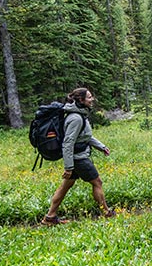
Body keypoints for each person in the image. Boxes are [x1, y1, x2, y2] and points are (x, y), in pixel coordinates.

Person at [42, 87, 114, 225]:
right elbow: (68, 143)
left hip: (75, 158)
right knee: (97, 182)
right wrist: (68, 167)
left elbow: (85, 136)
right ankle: (106, 212)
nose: (92, 99)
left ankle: (50, 217)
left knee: (65, 186)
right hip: (78, 159)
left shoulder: (80, 114)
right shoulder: (76, 118)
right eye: (89, 97)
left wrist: (101, 147)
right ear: (81, 100)